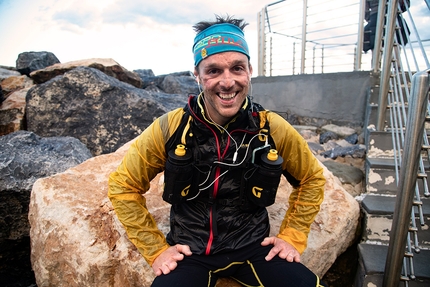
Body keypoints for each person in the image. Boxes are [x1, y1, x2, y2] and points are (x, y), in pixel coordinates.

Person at [108, 14, 327, 287]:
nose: (227, 82)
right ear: (197, 76)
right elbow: (123, 186)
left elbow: (312, 179)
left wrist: (292, 236)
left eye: (237, 68)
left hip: (255, 248)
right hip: (191, 254)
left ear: (249, 71)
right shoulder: (170, 127)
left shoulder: (272, 128)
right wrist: (156, 250)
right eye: (213, 71)